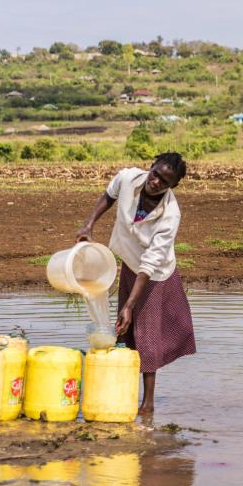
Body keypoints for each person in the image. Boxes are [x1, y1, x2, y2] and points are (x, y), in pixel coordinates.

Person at [76, 152, 195, 414]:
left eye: (165, 181)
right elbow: (110, 194)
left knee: (147, 335)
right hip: (130, 263)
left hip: (154, 276)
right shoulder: (129, 178)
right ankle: (121, 387)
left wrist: (131, 304)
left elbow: (150, 264)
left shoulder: (170, 215)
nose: (156, 182)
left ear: (172, 187)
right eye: (156, 174)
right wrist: (88, 224)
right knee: (125, 332)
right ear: (150, 168)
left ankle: (148, 403)